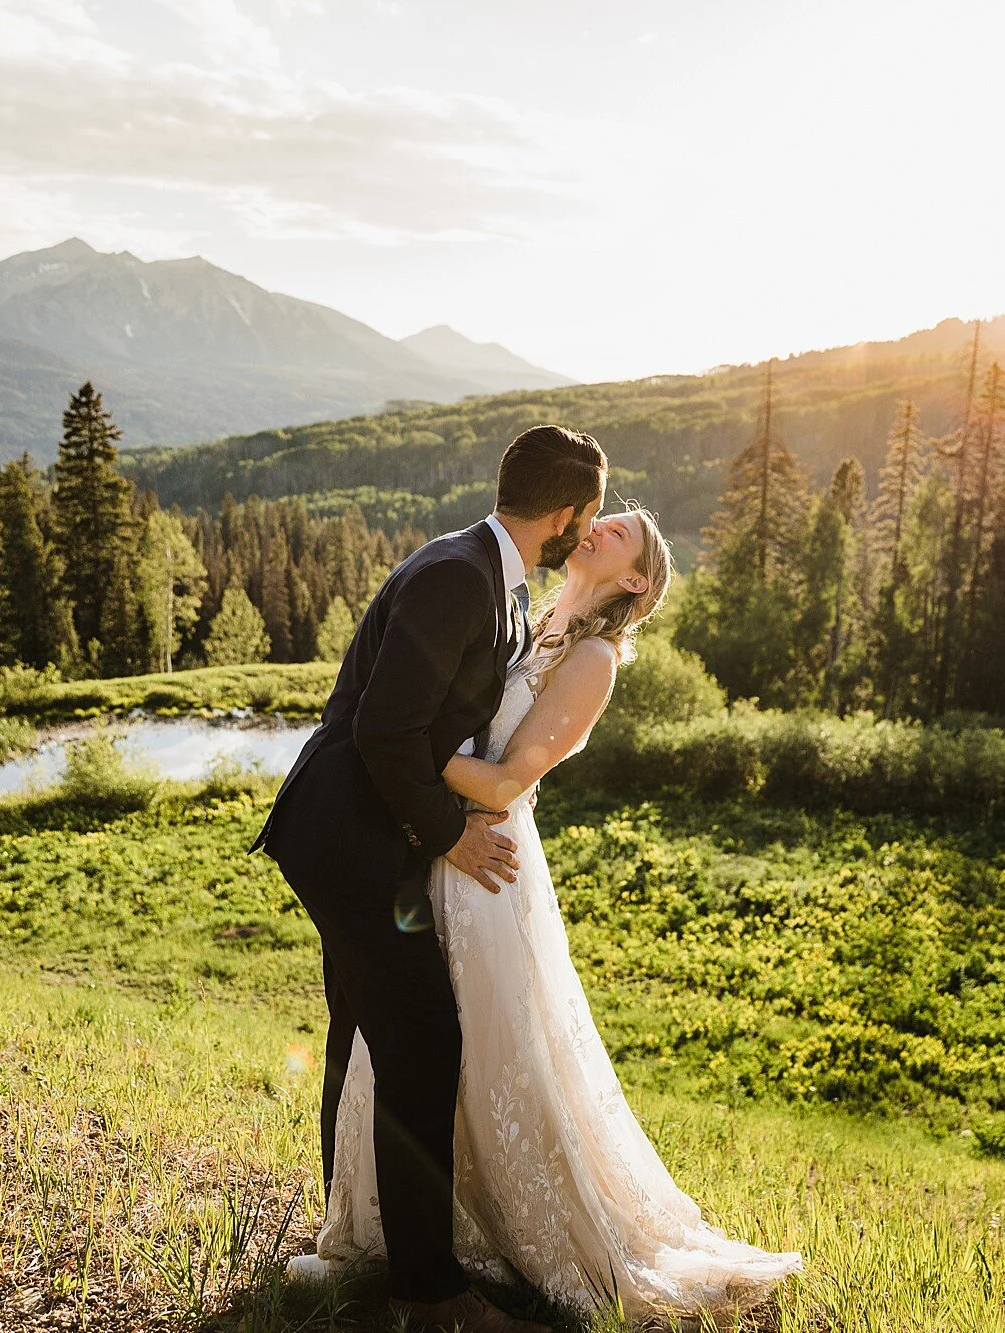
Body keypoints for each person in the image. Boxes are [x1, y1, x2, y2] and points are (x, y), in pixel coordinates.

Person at [313, 502, 802, 1321]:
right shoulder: (528, 618)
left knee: (494, 1042)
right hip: (435, 851)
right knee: (414, 1039)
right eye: (606, 516)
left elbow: (507, 781)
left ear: (636, 580)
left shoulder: (595, 658)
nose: (604, 525)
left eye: (626, 532)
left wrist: (405, 744)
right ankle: (410, 1227)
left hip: (488, 867)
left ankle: (506, 1227)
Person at [253, 423, 607, 1333]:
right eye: (590, 515)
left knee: (365, 1030)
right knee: (420, 1040)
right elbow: (382, 730)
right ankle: (426, 1290)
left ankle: (352, 1242)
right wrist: (451, 832)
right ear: (567, 514)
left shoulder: (493, 578)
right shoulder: (459, 576)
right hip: (345, 835)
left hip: (368, 835)